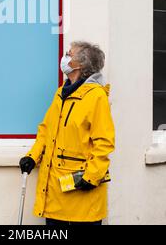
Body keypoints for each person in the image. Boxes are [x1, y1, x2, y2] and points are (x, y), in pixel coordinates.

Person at [19, 41, 115, 226]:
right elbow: (46, 130)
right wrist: (32, 157)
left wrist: (91, 177)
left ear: (81, 64)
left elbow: (104, 142)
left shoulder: (96, 97)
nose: (64, 57)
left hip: (82, 197)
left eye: (69, 54)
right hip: (56, 194)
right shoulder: (61, 93)